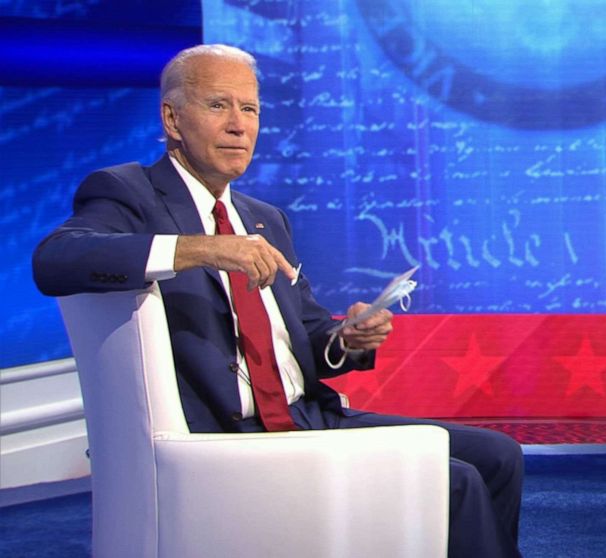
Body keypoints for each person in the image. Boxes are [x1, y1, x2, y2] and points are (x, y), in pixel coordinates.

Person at [33, 44, 524, 556]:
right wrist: (200, 249)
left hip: (308, 415)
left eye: (250, 110)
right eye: (218, 105)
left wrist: (345, 338)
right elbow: (55, 260)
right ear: (172, 118)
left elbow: (309, 340)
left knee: (498, 455)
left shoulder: (263, 217)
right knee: (454, 481)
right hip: (232, 435)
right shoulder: (127, 192)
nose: (238, 126)